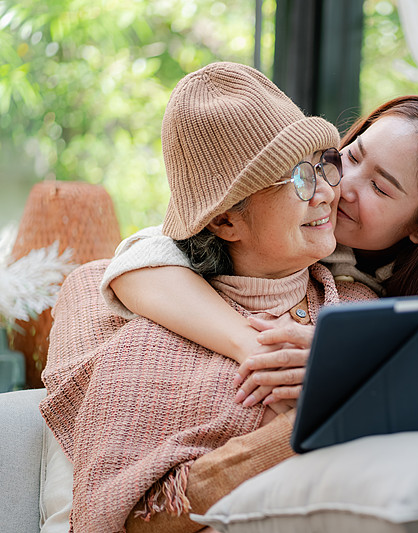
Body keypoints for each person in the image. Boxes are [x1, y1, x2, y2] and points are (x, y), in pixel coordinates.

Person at [39, 62, 376, 533]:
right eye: (299, 177)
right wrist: (302, 429)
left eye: (324, 164)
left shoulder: (362, 308)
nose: (325, 192)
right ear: (225, 221)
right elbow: (131, 519)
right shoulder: (147, 344)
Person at [102, 95, 418, 409]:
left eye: (380, 188)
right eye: (352, 155)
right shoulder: (291, 223)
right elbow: (141, 259)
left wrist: (350, 354)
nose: (341, 185)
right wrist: (253, 345)